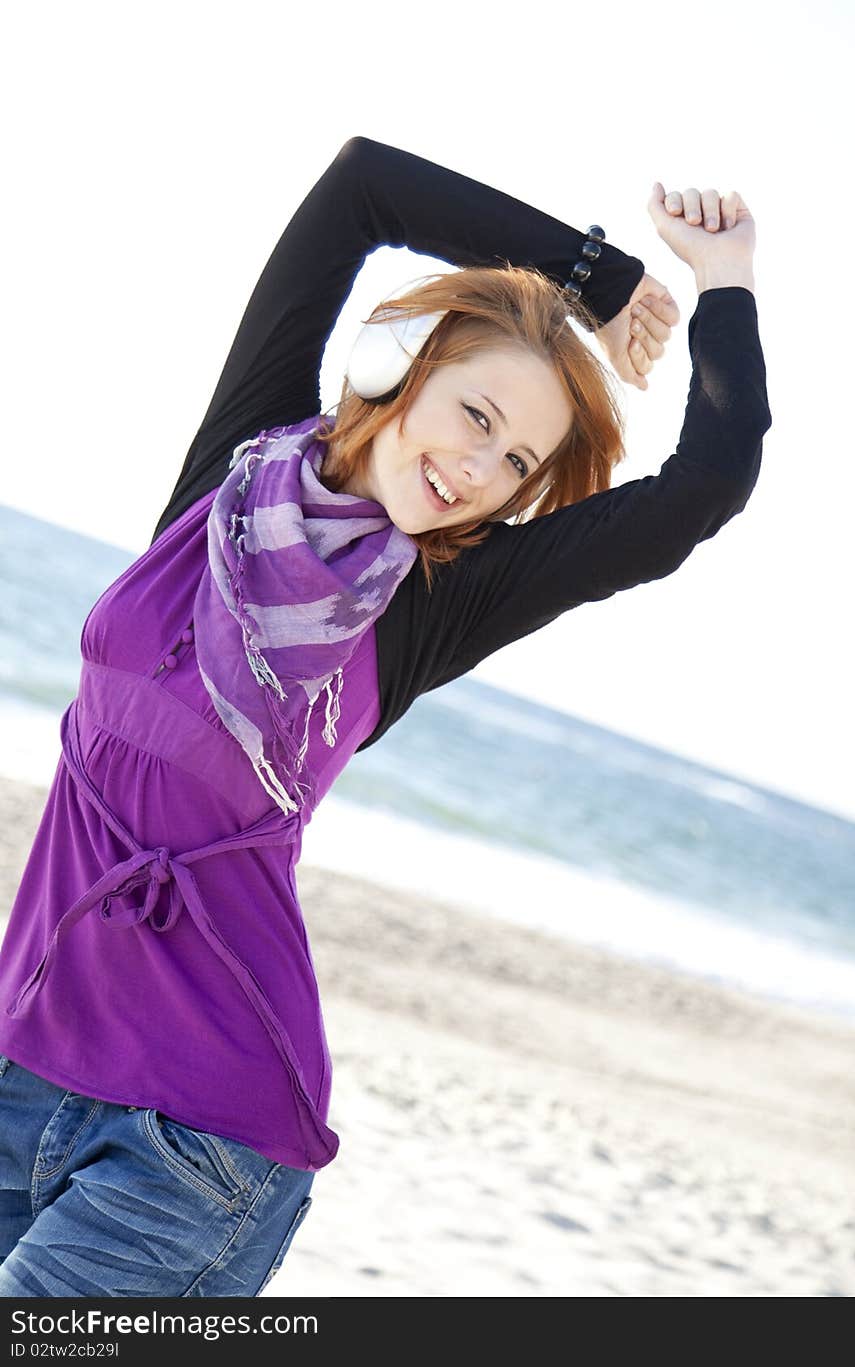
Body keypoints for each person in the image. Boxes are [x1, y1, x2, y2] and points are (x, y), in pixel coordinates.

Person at [0, 137, 770, 1297]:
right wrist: (595, 279)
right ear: (398, 366)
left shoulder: (433, 601)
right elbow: (362, 185)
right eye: (473, 414)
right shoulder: (230, 475)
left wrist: (726, 279)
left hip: (196, 1144)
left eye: (517, 461)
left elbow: (705, 484)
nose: (479, 467)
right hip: (23, 1057)